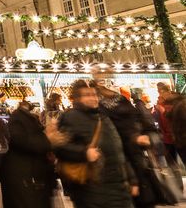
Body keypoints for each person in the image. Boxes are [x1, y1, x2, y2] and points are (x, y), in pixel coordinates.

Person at [53, 79, 136, 208]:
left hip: (119, 187)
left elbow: (119, 150)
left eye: (94, 94)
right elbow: (60, 148)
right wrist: (84, 153)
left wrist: (132, 178)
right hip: (91, 189)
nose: (93, 98)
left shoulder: (104, 117)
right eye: (87, 95)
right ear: (77, 99)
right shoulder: (71, 117)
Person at [95, 79, 156, 208]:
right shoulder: (101, 106)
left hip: (132, 152)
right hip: (118, 154)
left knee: (141, 190)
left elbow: (137, 119)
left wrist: (139, 135)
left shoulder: (120, 100)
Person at [0, 100, 54, 208]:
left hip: (29, 179)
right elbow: (21, 140)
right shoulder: (19, 118)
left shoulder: (24, 118)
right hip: (25, 180)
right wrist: (47, 139)